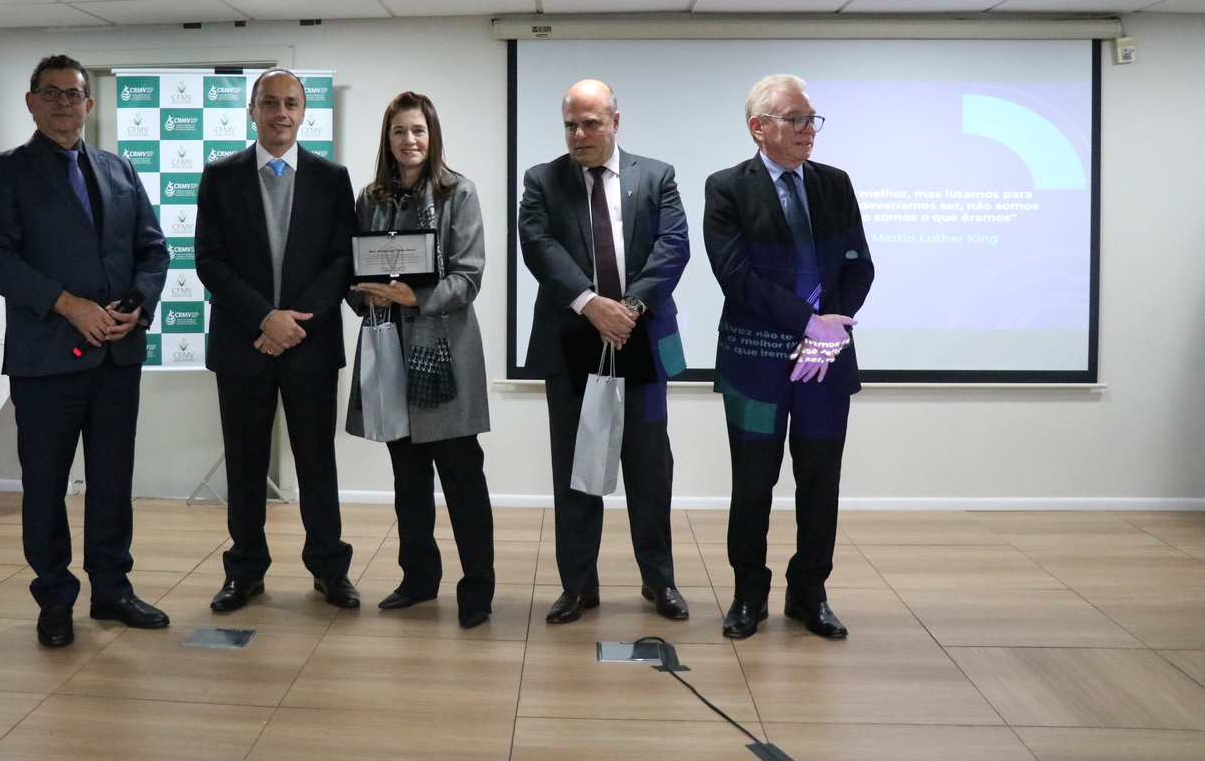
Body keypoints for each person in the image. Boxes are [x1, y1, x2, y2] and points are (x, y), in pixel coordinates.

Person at [0, 54, 170, 648]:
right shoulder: (2, 172)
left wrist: (138, 302)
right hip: (47, 359)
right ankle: (55, 598)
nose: (64, 103)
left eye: (74, 93)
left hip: (117, 356)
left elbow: (153, 249)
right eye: (52, 93)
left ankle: (112, 590)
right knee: (46, 486)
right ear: (31, 102)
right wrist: (68, 305)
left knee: (111, 482)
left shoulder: (118, 168)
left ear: (89, 103)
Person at [703, 73, 874, 640]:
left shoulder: (835, 184)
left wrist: (829, 331)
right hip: (755, 365)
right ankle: (748, 595)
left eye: (811, 119)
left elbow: (859, 266)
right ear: (759, 127)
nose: (808, 130)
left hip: (825, 363)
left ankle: (809, 594)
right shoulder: (727, 188)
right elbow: (736, 277)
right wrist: (810, 323)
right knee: (753, 481)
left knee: (820, 481)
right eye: (795, 119)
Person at [518, 79, 691, 624]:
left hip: (640, 338)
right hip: (572, 340)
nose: (579, 134)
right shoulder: (542, 179)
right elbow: (537, 246)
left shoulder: (656, 176)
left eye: (591, 123)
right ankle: (578, 585)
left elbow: (673, 247)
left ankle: (659, 581)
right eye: (570, 124)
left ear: (615, 121)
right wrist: (592, 305)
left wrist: (628, 308)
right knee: (576, 468)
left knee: (649, 467)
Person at [194, 68, 359, 612]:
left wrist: (292, 325)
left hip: (311, 346)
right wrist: (265, 318)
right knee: (245, 465)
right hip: (243, 345)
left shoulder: (332, 178)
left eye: (290, 103)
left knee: (317, 462)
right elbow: (209, 262)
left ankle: (330, 569)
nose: (280, 112)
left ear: (304, 112)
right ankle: (244, 572)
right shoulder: (220, 176)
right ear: (252, 110)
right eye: (269, 102)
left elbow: (342, 260)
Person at [346, 92, 495, 630]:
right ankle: (418, 579)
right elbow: (354, 271)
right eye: (399, 131)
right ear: (386, 139)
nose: (409, 141)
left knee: (462, 480)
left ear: (432, 137)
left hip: (445, 353)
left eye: (418, 131)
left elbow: (469, 276)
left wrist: (415, 297)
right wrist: (365, 293)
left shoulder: (458, 192)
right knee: (407, 480)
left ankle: (477, 589)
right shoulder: (371, 199)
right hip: (388, 350)